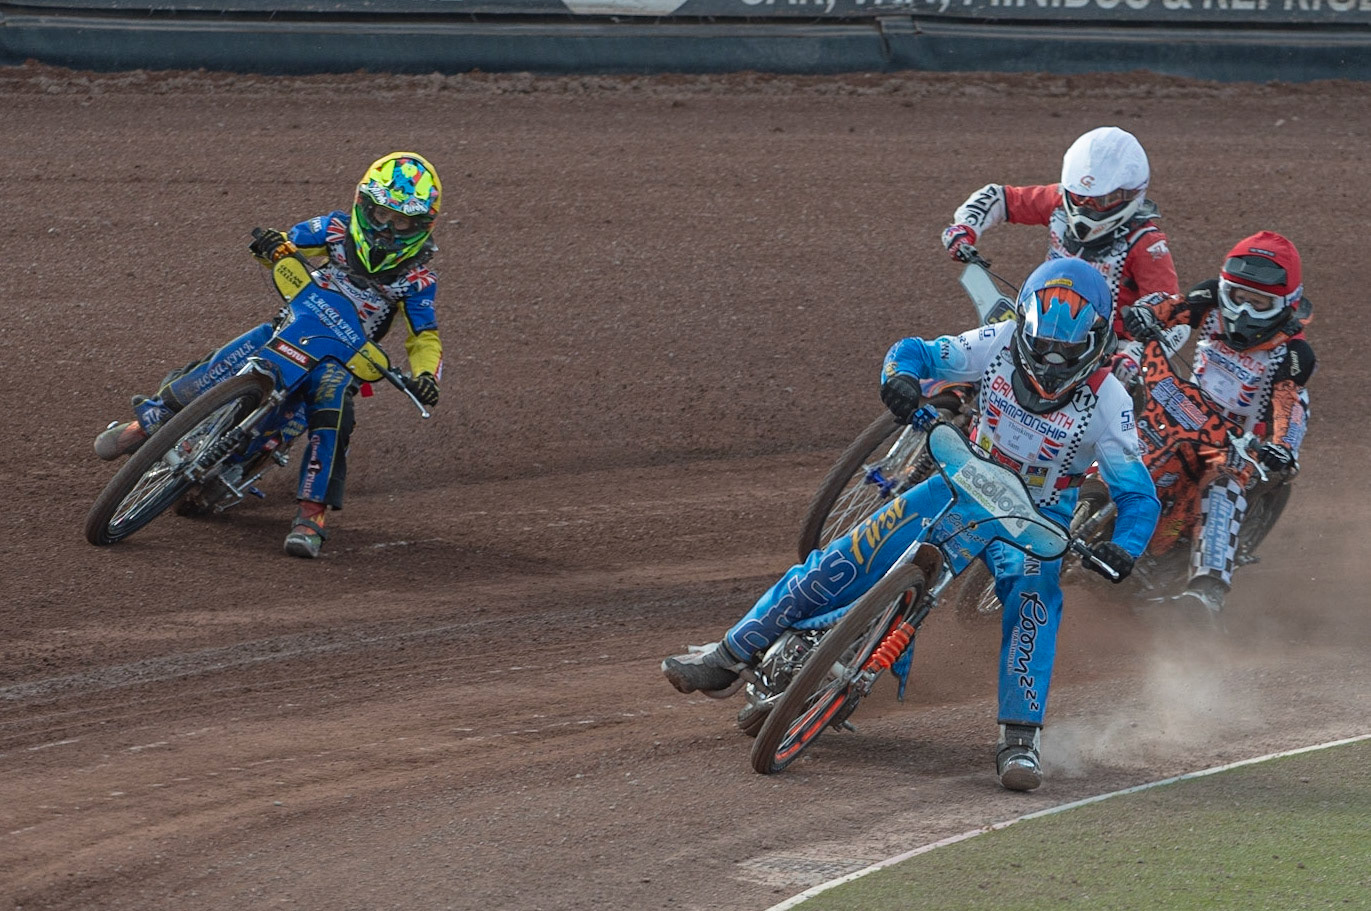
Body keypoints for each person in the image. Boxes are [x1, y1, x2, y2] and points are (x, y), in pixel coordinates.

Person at [663, 258, 1161, 792]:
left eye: (1067, 356)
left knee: (1033, 605)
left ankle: (1020, 737)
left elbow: (1137, 493)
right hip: (961, 478)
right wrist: (899, 378)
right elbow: (916, 351)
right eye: (1041, 349)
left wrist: (1125, 547)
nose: (1051, 366)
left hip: (1036, 516)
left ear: (1097, 344)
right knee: (844, 557)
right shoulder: (996, 341)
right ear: (1023, 327)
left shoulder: (1110, 403)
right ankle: (729, 654)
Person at [93, 152, 445, 559]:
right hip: (295, 326)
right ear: (363, 205)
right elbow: (285, 245)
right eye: (380, 214)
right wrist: (271, 245)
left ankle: (312, 515)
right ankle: (143, 425)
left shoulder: (418, 280)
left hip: (340, 360)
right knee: (226, 359)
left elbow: (425, 337)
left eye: (401, 221)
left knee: (333, 414)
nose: (386, 228)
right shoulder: (334, 229)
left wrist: (426, 376)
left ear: (421, 225)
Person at [1121, 231, 1314, 615]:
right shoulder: (1210, 301)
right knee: (1119, 416)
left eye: (1259, 303)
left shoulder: (1292, 353)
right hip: (1182, 409)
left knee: (1222, 486)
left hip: (1239, 444)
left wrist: (1283, 446)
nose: (1243, 312)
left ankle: (1206, 591)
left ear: (1286, 305)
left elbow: (1290, 402)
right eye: (1238, 297)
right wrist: (1147, 312)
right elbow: (1171, 305)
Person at [941, 126, 1179, 337]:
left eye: (1101, 200)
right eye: (1080, 196)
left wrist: (1131, 359)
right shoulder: (1058, 202)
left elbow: (1174, 317)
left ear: (1130, 194)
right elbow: (1000, 198)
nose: (1086, 207)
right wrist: (965, 227)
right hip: (1041, 325)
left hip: (1107, 348)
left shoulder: (1147, 245)